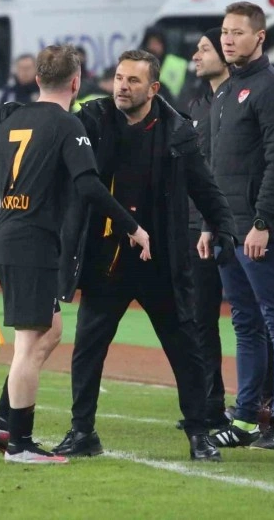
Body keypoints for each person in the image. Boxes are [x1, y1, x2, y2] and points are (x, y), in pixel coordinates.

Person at [48, 49, 236, 462]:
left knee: (184, 349)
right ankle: (82, 431)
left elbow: (204, 187)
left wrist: (225, 226)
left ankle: (199, 434)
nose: (122, 86)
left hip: (161, 261)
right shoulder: (92, 120)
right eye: (119, 78)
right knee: (88, 348)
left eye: (133, 80)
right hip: (107, 259)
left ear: (153, 88)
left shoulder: (177, 131)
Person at [0, 44, 150, 464]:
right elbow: (89, 185)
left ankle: (4, 421)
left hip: (9, 237)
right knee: (27, 344)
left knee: (50, 331)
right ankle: (19, 444)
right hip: (32, 243)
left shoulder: (12, 119)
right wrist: (132, 226)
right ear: (76, 82)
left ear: (38, 78)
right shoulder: (68, 124)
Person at [205, 1, 274, 450]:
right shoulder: (226, 90)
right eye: (224, 32)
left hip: (260, 230)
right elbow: (217, 167)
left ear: (260, 36)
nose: (227, 40)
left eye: (237, 32)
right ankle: (245, 418)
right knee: (245, 324)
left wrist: (262, 222)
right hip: (229, 231)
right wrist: (210, 224)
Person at [180, 27, 230, 431]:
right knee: (199, 318)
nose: (196, 56)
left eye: (205, 49)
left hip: (227, 225)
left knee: (252, 319)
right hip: (195, 225)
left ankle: (259, 404)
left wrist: (211, 223)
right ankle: (210, 404)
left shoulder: (236, 104)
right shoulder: (196, 105)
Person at [140, 26, 185, 105]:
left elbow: (187, 95)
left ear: (164, 46)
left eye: (157, 44)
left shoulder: (178, 65)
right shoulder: (137, 66)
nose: (153, 47)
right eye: (150, 43)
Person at [0, 54, 39, 123]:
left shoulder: (43, 89)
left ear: (35, 69)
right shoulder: (10, 91)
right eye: (21, 68)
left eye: (28, 68)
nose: (25, 72)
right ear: (16, 70)